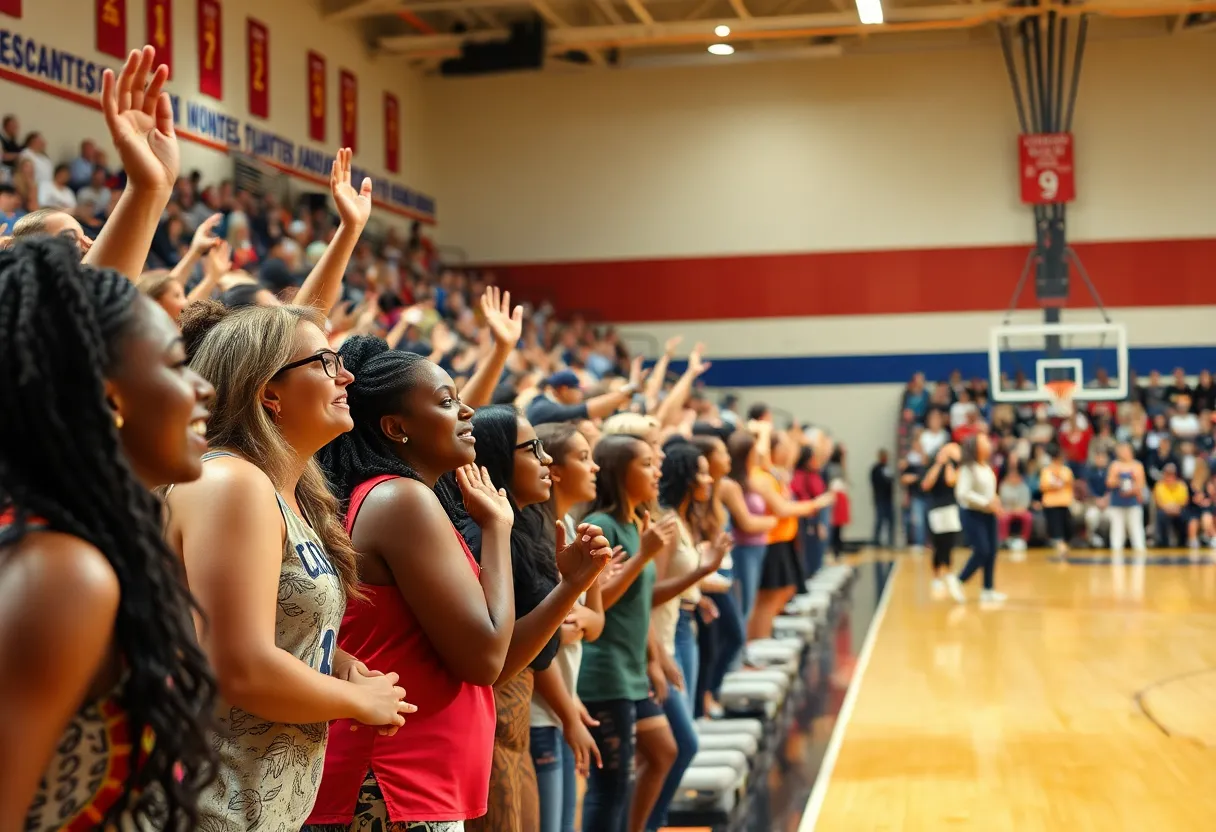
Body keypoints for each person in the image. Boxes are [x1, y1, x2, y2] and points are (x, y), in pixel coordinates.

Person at [167, 304, 413, 829]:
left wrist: (335, 658)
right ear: (268, 392)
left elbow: (257, 623)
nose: (346, 374)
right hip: (207, 806)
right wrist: (359, 701)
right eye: (325, 361)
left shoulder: (289, 491)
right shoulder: (231, 483)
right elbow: (238, 665)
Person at [0, 238, 218, 830]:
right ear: (107, 395)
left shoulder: (74, 547)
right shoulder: (63, 574)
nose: (204, 389)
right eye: (178, 366)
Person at [307, 339, 517, 831]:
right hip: (395, 780)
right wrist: (498, 531)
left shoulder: (397, 498)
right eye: (446, 401)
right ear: (396, 427)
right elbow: (485, 658)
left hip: (402, 779)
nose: (467, 411)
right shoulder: (401, 501)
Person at [457, 406, 611, 832]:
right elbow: (504, 657)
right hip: (499, 718)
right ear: (497, 459)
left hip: (517, 720)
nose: (546, 461)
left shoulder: (530, 530)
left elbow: (587, 625)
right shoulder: (484, 536)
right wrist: (572, 589)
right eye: (532, 450)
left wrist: (578, 587)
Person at [577, 434, 677, 832]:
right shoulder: (602, 525)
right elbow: (600, 604)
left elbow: (642, 601)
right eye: (647, 464)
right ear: (620, 472)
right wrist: (645, 556)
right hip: (605, 670)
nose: (657, 472)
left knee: (664, 752)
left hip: (631, 668)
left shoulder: (636, 523)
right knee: (610, 785)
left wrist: (654, 659)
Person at [647, 442, 730, 831]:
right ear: (683, 477)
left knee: (684, 737)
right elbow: (650, 593)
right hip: (664, 637)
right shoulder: (665, 521)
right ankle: (651, 821)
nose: (708, 478)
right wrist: (702, 573)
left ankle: (658, 820)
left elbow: (676, 585)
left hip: (684, 626)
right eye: (700, 471)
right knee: (683, 743)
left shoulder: (683, 518)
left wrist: (697, 597)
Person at [531, 422, 608, 832]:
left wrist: (572, 623)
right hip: (542, 712)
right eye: (583, 457)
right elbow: (537, 644)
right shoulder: (537, 538)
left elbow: (595, 624)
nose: (594, 467)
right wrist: (560, 627)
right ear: (553, 469)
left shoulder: (576, 525)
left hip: (563, 705)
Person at [945, 433, 1005, 605]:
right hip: (972, 513)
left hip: (988, 513)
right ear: (975, 447)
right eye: (984, 441)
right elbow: (962, 493)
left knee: (992, 551)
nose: (988, 443)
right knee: (982, 550)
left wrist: (995, 501)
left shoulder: (985, 467)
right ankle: (958, 580)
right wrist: (986, 502)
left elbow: (989, 491)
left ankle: (988, 589)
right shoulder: (966, 468)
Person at [921, 442, 960, 597]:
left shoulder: (953, 467)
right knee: (938, 542)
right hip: (936, 509)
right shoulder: (933, 467)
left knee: (949, 541)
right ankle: (936, 575)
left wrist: (948, 463)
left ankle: (949, 571)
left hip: (950, 508)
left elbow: (952, 481)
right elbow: (926, 484)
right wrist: (938, 465)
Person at [1106, 442, 1148, 561]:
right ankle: (1116, 553)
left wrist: (1133, 488)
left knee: (1136, 528)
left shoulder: (1137, 465)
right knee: (1117, 529)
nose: (1123, 453)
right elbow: (1109, 482)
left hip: (1133, 501)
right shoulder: (1115, 465)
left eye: (1125, 450)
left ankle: (1140, 552)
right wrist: (1120, 481)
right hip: (1117, 502)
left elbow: (1141, 484)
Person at [1039, 445, 1075, 556]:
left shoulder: (1066, 471)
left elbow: (1069, 484)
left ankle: (1065, 545)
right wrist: (1057, 485)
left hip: (1064, 503)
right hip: (1051, 504)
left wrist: (1056, 485)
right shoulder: (1047, 471)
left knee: (1067, 526)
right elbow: (1044, 486)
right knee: (1056, 528)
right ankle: (1061, 547)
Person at [870, 448, 895, 547]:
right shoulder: (875, 469)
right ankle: (876, 540)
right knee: (879, 520)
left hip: (889, 498)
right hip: (880, 498)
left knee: (890, 521)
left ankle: (890, 541)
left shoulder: (888, 468)